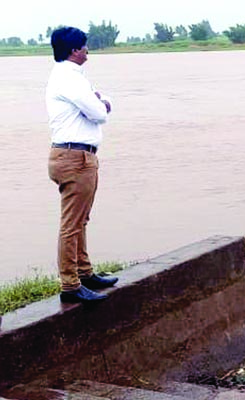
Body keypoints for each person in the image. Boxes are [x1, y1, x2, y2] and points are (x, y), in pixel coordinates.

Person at [46, 26, 118, 303]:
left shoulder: (70, 76)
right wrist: (102, 102)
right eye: (85, 46)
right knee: (72, 224)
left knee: (80, 220)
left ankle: (85, 273)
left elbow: (98, 107)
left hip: (78, 156)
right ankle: (70, 285)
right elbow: (99, 112)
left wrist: (101, 102)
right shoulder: (69, 78)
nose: (88, 50)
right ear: (74, 50)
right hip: (74, 158)